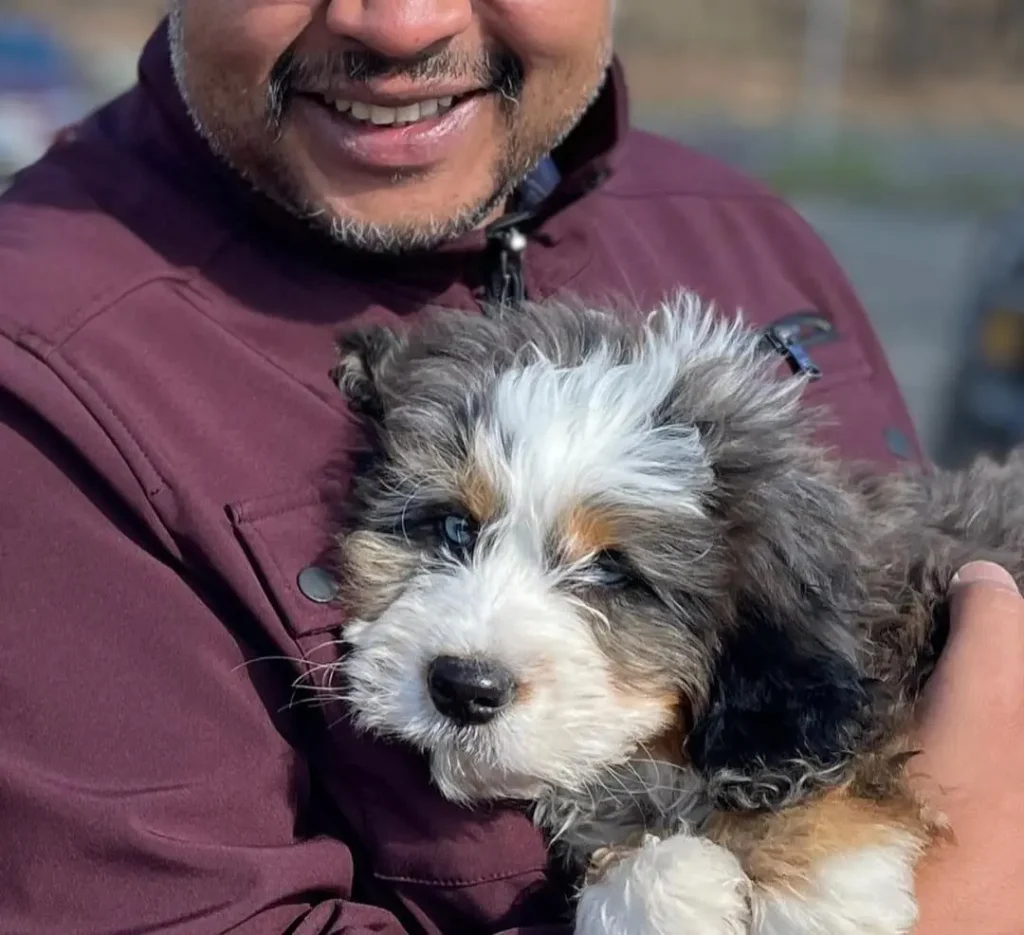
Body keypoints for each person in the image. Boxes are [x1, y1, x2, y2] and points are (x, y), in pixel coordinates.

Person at [0, 2, 1017, 932]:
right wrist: (960, 899)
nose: (400, 23)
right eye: (447, 530)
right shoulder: (41, 376)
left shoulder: (743, 224)